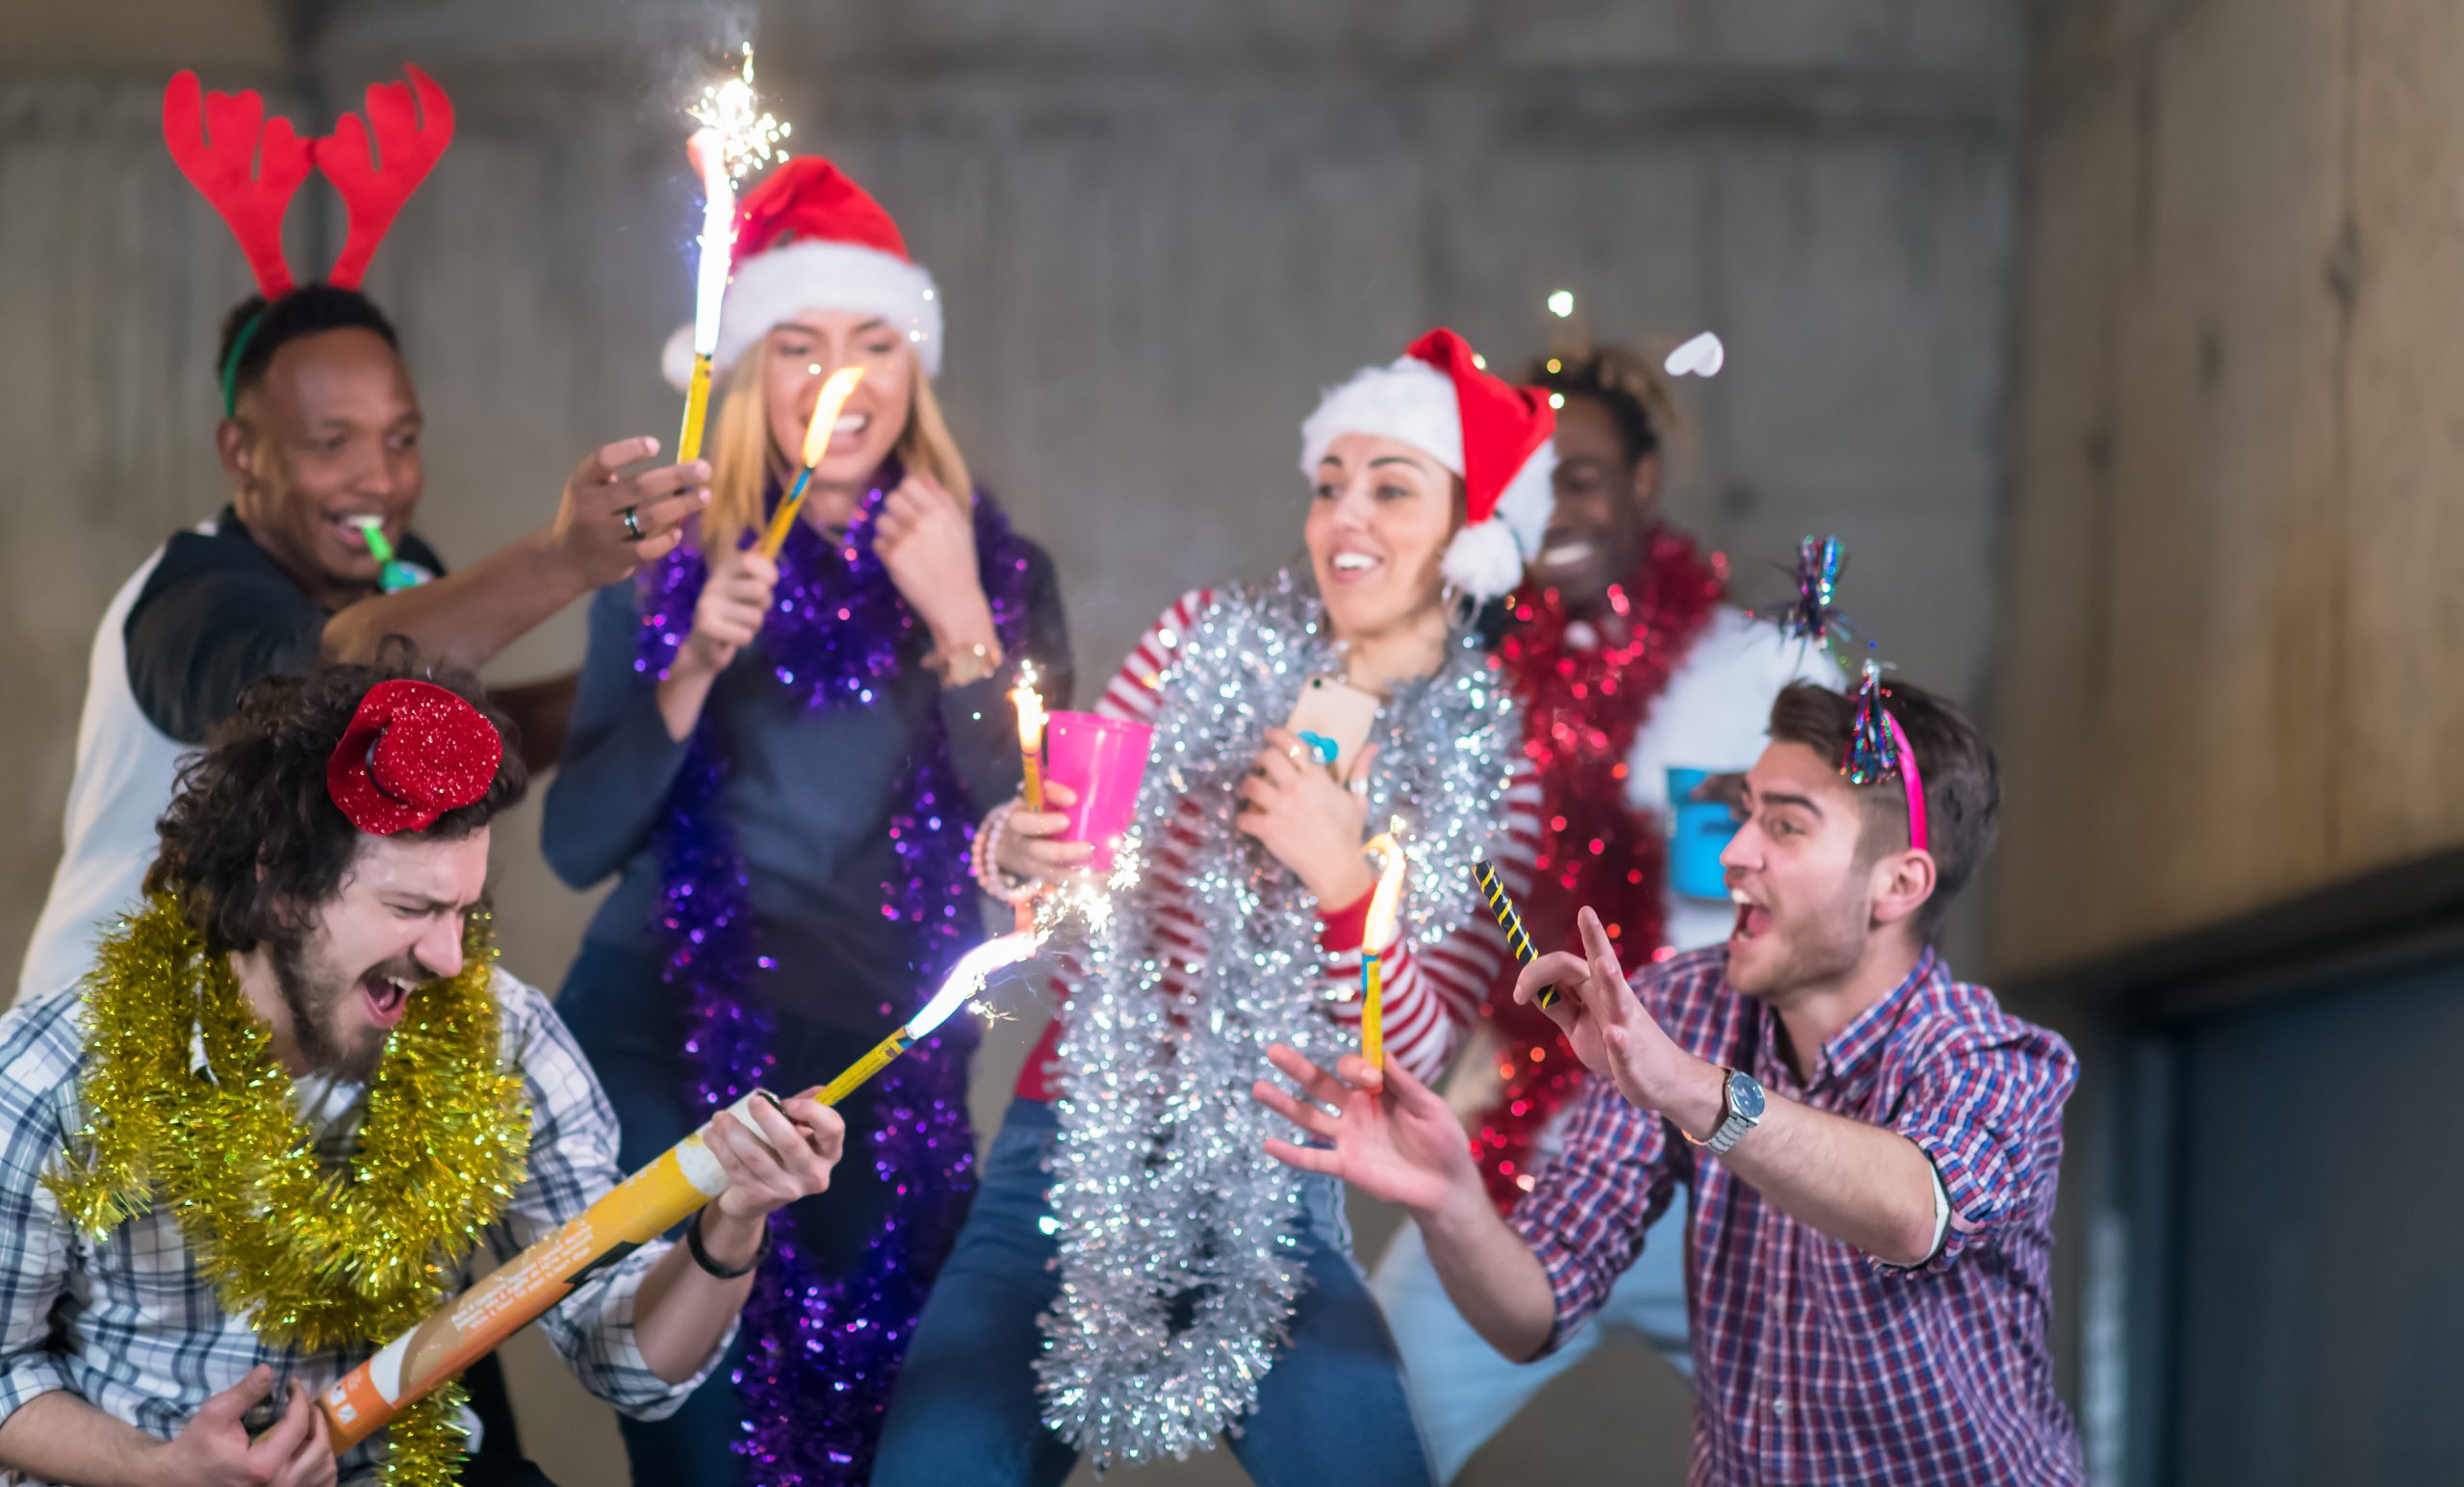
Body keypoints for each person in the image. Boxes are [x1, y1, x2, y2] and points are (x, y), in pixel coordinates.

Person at [874, 328, 1550, 1487]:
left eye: (1392, 488)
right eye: (1328, 484)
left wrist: (1344, 884)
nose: (1344, 517)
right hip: (1067, 1148)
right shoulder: (1200, 639)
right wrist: (1016, 850)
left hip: (1275, 1176)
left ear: (1471, 534)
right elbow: (1066, 880)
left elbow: (1417, 1056)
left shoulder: (1492, 762)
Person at [541, 156, 1071, 1487]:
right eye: (800, 345)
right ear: (751, 370)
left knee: (881, 1426)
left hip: (882, 1062)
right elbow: (572, 845)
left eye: (874, 341)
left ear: (913, 365)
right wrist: (692, 665)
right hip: (663, 1031)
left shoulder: (1004, 572)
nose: (842, 376)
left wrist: (963, 624)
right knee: (708, 1440)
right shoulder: (665, 566)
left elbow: (1030, 842)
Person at [0, 659, 845, 1487]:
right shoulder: (55, 1068)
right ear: (280, 884)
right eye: (411, 908)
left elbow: (624, 1357)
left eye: (463, 910)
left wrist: (734, 1218)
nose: (448, 957)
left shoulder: (501, 1035)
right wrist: (160, 1470)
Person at [1258, 677, 2089, 1484]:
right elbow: (1534, 1311)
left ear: (1898, 884)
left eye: (1786, 825)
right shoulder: (1679, 1007)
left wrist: (1685, 1086)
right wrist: (1449, 1200)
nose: (1733, 852)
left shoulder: (1998, 1058)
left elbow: (1913, 1214)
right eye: (1746, 813)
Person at [17, 68, 708, 1012]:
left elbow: (462, 749)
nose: (377, 479)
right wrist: (564, 560)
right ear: (241, 453)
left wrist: (671, 664)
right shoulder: (187, 601)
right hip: (118, 1035)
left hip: (303, 1033)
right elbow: (332, 677)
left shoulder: (409, 581)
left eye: (400, 439)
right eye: (328, 443)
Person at [1369, 341, 1839, 1481]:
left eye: (1577, 478)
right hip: (1528, 1148)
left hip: (1735, 1155)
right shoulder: (1464, 689)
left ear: (1641, 481)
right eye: (1526, 488)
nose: (1552, 511)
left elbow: (1855, 885)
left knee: (1825, 1453)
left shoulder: (1763, 669)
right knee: (1368, 1428)